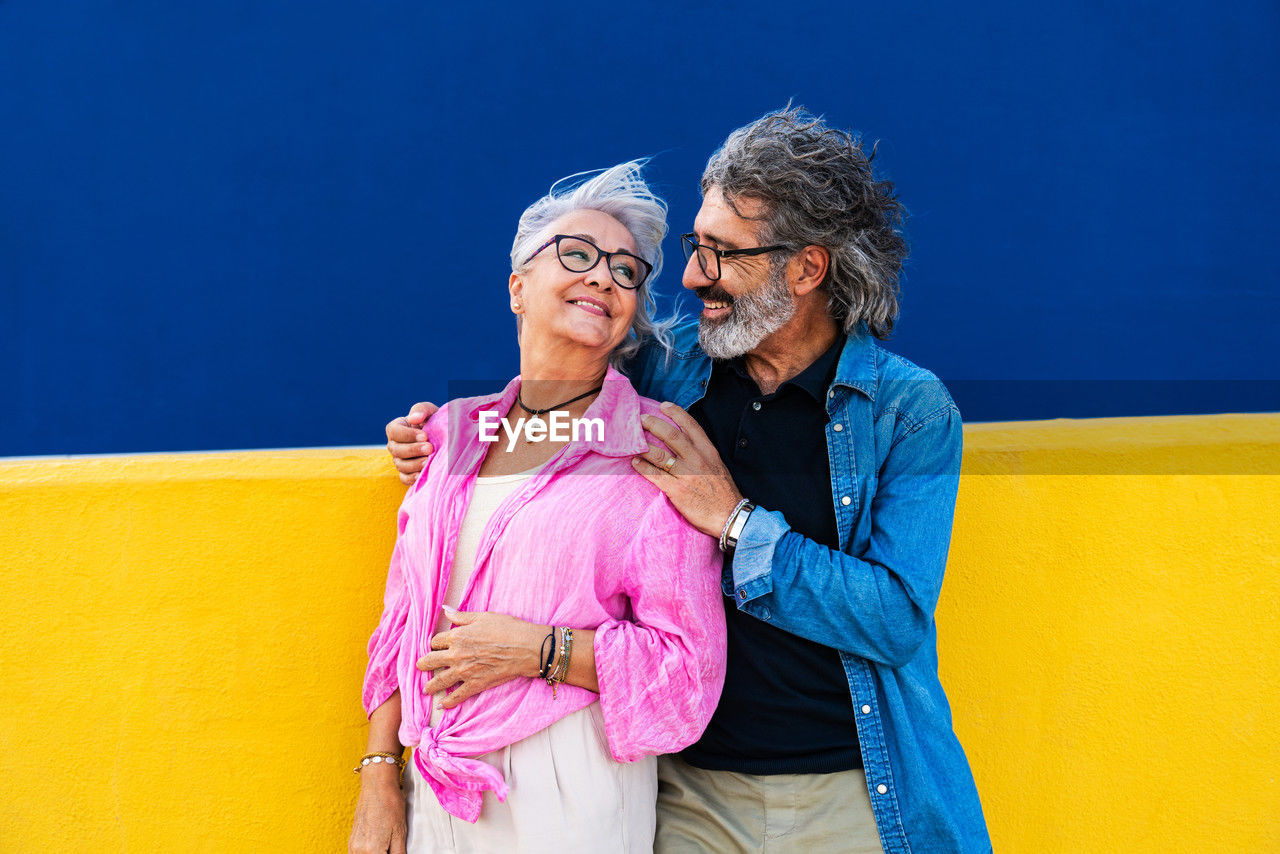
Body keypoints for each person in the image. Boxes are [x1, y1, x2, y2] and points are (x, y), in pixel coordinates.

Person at [387, 107, 992, 853]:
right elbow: (557, 370)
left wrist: (736, 523)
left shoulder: (909, 411)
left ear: (805, 269)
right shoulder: (670, 373)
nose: (690, 276)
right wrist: (444, 436)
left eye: (723, 253)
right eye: (694, 245)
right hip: (688, 793)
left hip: (853, 792)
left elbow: (896, 619)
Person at [351, 162, 727, 854]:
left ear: (631, 314)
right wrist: (380, 776)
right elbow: (402, 621)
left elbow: (688, 673)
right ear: (518, 286)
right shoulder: (449, 435)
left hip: (572, 788)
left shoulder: (650, 451)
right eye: (578, 254)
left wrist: (539, 651)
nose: (603, 277)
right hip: (435, 788)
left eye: (625, 270)